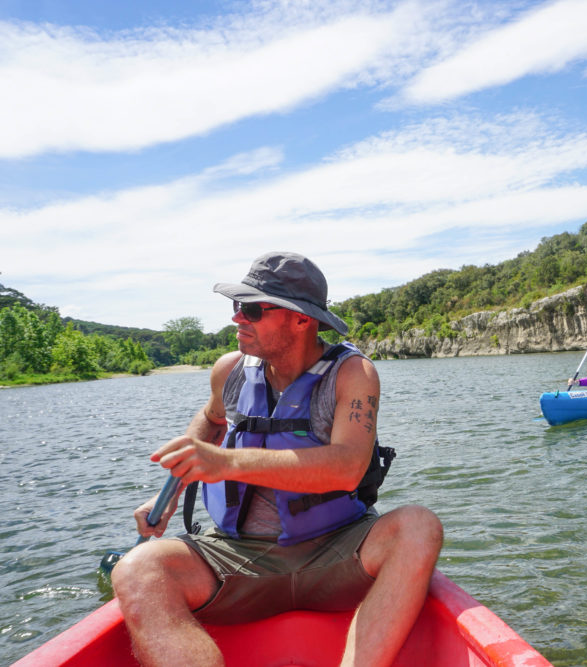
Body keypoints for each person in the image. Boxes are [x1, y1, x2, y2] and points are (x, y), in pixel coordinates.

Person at [111, 252, 443, 667]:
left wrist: (228, 463)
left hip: (336, 551)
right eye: (237, 307)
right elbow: (210, 419)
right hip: (233, 556)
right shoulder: (229, 371)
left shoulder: (353, 374)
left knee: (418, 526)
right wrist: (172, 490)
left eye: (251, 309)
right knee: (135, 568)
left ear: (302, 319)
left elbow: (347, 468)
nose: (237, 319)